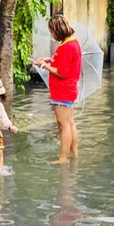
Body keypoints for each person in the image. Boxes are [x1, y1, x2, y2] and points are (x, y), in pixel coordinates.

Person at [35, 15, 82, 164]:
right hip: (67, 90)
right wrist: (50, 59)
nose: (52, 35)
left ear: (58, 30)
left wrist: (43, 66)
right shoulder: (71, 43)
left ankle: (63, 158)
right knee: (70, 123)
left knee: (64, 125)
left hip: (63, 91)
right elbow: (63, 63)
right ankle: (74, 154)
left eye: (52, 31)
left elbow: (62, 72)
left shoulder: (68, 46)